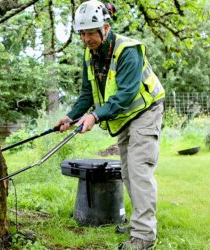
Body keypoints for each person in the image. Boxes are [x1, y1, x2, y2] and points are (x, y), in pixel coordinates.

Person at [56, 1, 165, 249]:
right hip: (124, 116)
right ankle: (138, 223)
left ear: (105, 28)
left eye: (90, 32)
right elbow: (87, 93)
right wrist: (71, 117)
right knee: (127, 172)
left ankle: (145, 236)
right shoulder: (90, 54)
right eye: (81, 33)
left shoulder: (128, 50)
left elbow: (126, 94)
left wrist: (95, 116)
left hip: (145, 112)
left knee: (139, 172)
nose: (85, 39)